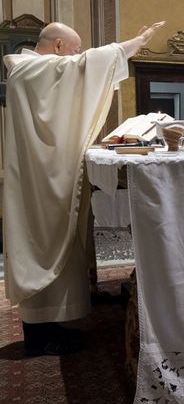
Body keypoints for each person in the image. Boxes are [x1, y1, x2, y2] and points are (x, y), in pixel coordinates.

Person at [3, 20, 165, 356]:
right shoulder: (31, 70)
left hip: (47, 172)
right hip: (41, 179)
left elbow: (77, 70)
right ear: (59, 47)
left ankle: (52, 326)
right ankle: (39, 336)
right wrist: (136, 42)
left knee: (60, 244)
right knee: (44, 243)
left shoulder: (33, 70)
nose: (78, 56)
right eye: (74, 49)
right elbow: (82, 66)